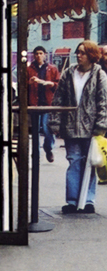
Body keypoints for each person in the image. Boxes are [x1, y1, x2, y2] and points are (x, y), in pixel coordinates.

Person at [49, 40, 107, 214]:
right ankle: (73, 201)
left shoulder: (99, 75)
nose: (78, 55)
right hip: (71, 125)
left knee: (90, 163)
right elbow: (58, 98)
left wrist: (101, 125)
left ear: (91, 56)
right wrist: (55, 122)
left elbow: (103, 102)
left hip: (91, 127)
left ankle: (88, 200)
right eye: (78, 52)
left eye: (82, 52)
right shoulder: (68, 72)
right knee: (74, 161)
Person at [27, 46, 60, 162]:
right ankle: (36, 153)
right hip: (34, 103)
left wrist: (51, 84)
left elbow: (58, 84)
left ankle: (48, 148)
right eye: (36, 53)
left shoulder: (52, 69)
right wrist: (29, 83)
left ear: (45, 55)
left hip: (47, 103)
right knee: (35, 130)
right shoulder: (29, 69)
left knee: (47, 128)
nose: (38, 56)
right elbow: (23, 85)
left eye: (41, 53)